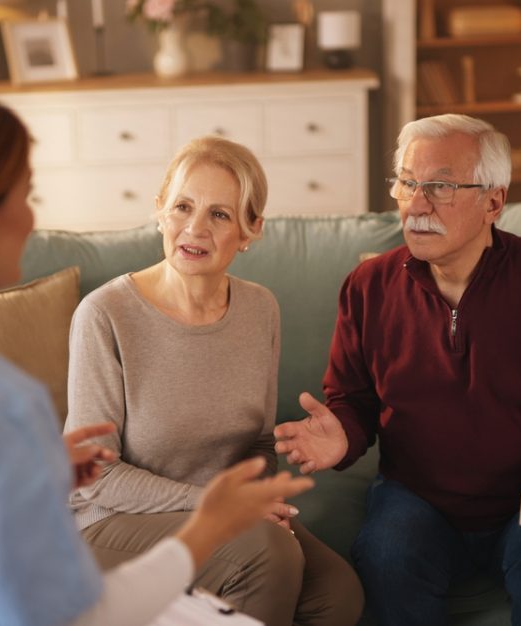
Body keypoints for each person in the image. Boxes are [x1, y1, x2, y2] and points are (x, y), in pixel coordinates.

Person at [0, 81, 316, 626]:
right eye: (27, 195)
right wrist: (207, 525)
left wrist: (36, 474)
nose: (32, 218)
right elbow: (75, 619)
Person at [274, 114, 521, 626]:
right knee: (386, 554)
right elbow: (355, 402)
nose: (416, 204)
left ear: (494, 202)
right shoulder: (367, 287)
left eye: (439, 186)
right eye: (407, 183)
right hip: (417, 498)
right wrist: (343, 438)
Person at [65, 135, 364, 626]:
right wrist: (216, 506)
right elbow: (97, 477)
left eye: (220, 215)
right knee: (268, 554)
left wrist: (259, 496)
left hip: (223, 515)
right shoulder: (105, 314)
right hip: (111, 523)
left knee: (336, 592)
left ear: (250, 231)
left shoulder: (259, 309)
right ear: (160, 210)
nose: (195, 228)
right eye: (183, 206)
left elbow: (260, 443)